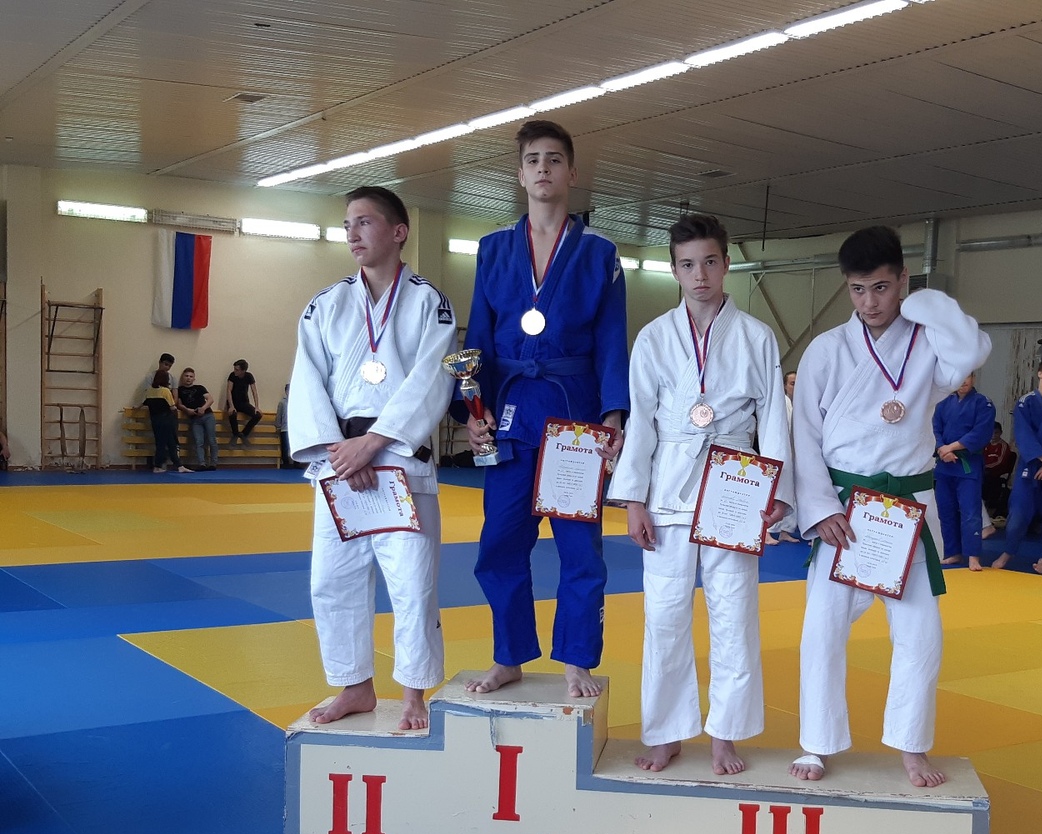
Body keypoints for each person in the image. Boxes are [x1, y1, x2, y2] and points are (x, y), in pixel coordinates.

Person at [789, 225, 990, 788]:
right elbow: (804, 435)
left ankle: (911, 745)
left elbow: (972, 350)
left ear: (902, 280)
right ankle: (816, 742)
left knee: (921, 633)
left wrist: (929, 304)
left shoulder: (926, 343)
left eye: (881, 287)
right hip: (844, 508)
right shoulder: (827, 349)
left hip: (907, 508)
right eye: (857, 290)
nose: (870, 303)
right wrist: (818, 508)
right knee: (822, 630)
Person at [610, 213, 793, 776]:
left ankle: (725, 735)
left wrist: (778, 490)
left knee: (734, 615)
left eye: (710, 262)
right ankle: (666, 732)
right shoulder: (654, 337)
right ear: (674, 270)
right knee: (664, 617)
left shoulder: (757, 336)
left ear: (726, 264)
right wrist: (633, 499)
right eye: (688, 265)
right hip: (668, 487)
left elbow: (775, 418)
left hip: (735, 488)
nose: (700, 275)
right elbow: (641, 421)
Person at [459, 119, 628, 699]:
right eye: (533, 159)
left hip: (575, 414)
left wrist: (613, 413)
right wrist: (472, 411)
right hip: (510, 413)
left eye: (554, 159)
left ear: (571, 173)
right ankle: (509, 655)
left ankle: (577, 658)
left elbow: (612, 337)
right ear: (520, 173)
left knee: (580, 547)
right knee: (500, 543)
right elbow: (478, 337)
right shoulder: (492, 248)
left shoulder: (600, 252)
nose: (543, 169)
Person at [287, 185, 458, 730]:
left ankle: (413, 693)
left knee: (412, 582)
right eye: (347, 224)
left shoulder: (430, 303)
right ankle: (355, 687)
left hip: (401, 460)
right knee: (333, 580)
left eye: (364, 222)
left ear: (398, 231)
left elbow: (432, 380)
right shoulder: (325, 304)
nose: (352, 233)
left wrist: (375, 442)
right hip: (338, 460)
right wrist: (343, 451)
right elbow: (306, 379)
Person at [993, 360, 1042, 574]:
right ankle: (1008, 551)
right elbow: (1023, 434)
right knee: (1018, 512)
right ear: (1040, 374)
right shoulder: (1025, 403)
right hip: (1031, 465)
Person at [932, 373, 995, 571]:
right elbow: (934, 429)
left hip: (968, 464)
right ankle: (952, 552)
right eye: (960, 377)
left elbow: (980, 432)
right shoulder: (942, 403)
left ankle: (973, 556)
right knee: (946, 510)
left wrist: (951, 447)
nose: (963, 381)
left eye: (967, 377)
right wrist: (942, 449)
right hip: (945, 465)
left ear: (973, 378)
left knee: (970, 512)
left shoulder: (983, 403)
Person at [766, 371, 802, 546]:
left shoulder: (801, 404)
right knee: (775, 492)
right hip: (780, 453)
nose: (796, 387)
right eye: (792, 383)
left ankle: (785, 530)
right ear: (785, 386)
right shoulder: (781, 403)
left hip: (796, 454)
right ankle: (766, 531)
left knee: (792, 492)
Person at [143, 371, 192, 474]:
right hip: (166, 420)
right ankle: (157, 466)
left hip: (155, 420)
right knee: (167, 443)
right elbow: (172, 406)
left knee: (166, 442)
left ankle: (179, 465)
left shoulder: (149, 391)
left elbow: (144, 402)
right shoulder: (165, 391)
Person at [175, 367, 218, 471]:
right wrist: (187, 410)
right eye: (186, 376)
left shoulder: (200, 388)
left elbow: (210, 399)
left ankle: (213, 463)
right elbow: (179, 404)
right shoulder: (179, 390)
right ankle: (201, 463)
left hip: (207, 415)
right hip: (194, 418)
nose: (188, 378)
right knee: (199, 441)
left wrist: (203, 408)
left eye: (191, 376)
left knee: (211, 440)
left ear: (194, 378)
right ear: (183, 377)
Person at [981, 421, 1016, 518]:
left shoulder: (1003, 446)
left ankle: (990, 509)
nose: (993, 435)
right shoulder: (985, 445)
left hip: (997, 473)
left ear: (1000, 433)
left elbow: (1000, 462)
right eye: (991, 433)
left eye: (996, 433)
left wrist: (986, 467)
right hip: (985, 471)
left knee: (988, 480)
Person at [225, 359, 262, 444]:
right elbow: (229, 390)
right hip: (233, 401)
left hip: (243, 402)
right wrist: (231, 405)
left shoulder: (249, 376)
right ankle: (235, 434)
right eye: (234, 369)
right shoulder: (232, 375)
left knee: (258, 415)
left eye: (237, 370)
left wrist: (257, 407)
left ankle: (244, 434)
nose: (235, 371)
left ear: (243, 371)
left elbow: (254, 392)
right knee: (232, 413)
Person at [277, 383, 299, 468]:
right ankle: (285, 463)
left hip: (295, 429)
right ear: (286, 392)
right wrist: (278, 426)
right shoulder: (282, 403)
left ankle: (297, 463)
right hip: (285, 429)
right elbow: (279, 415)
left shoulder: (297, 402)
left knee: (296, 446)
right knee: (285, 447)